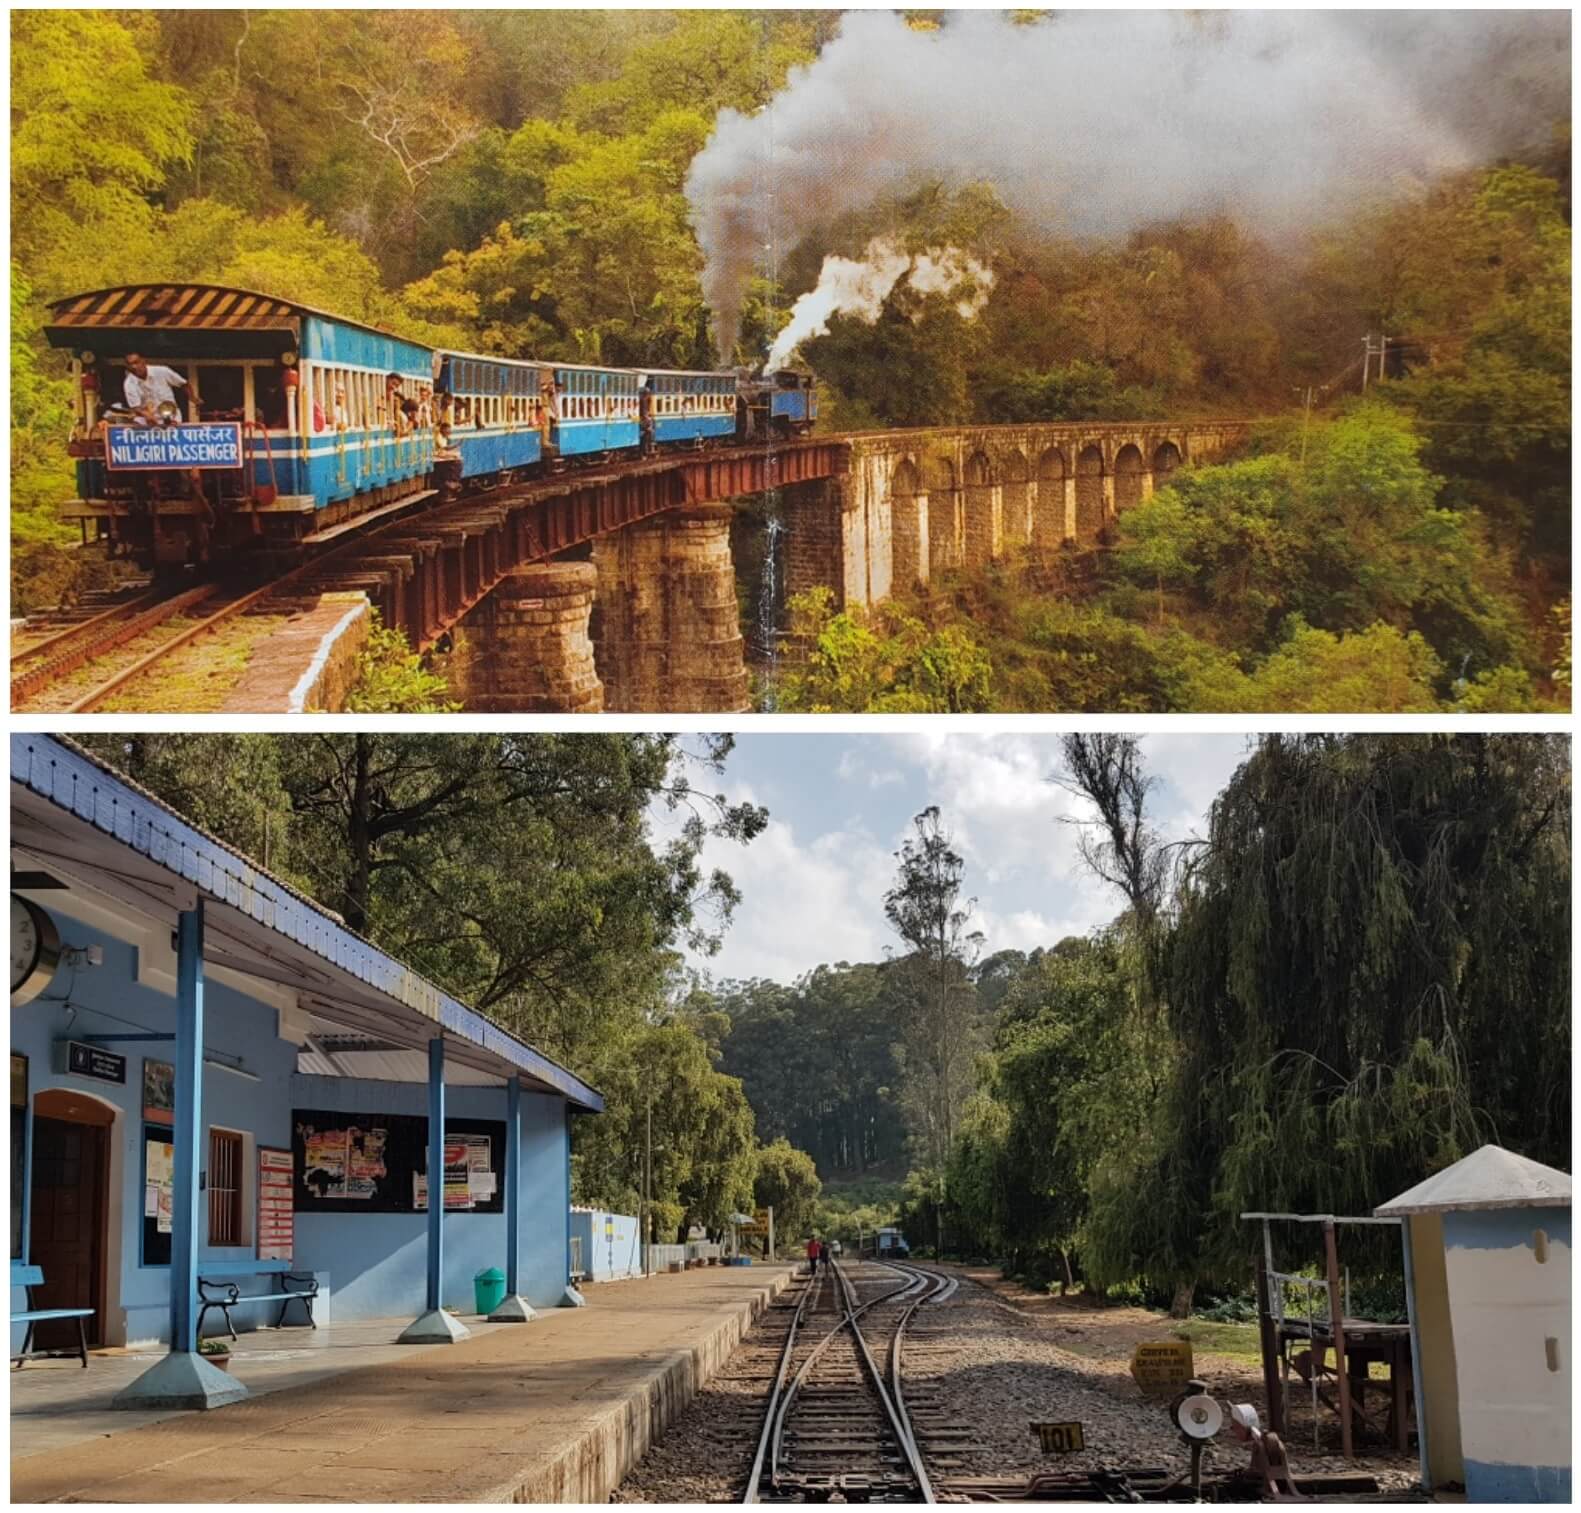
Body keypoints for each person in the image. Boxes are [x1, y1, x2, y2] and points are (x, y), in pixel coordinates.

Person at [122, 352, 188, 423]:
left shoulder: (162, 371)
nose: (134, 366)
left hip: (171, 414)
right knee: (138, 422)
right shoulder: (128, 383)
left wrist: (194, 399)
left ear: (143, 361)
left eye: (136, 362)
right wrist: (146, 414)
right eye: (130, 364)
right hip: (147, 419)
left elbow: (183, 384)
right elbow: (135, 407)